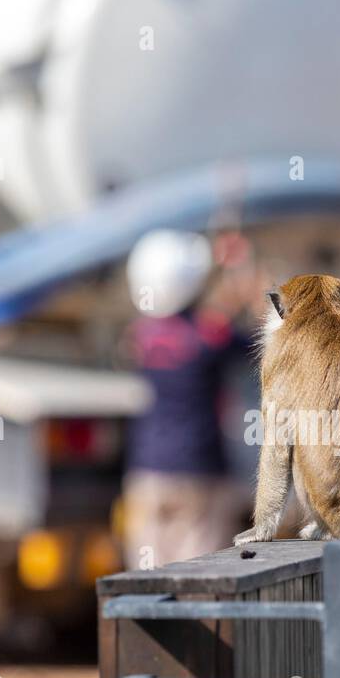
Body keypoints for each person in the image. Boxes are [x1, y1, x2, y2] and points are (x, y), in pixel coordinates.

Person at [120, 229, 252, 569]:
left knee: (148, 583)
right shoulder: (211, 337)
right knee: (200, 583)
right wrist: (237, 268)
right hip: (200, 475)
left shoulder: (140, 336)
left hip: (148, 473)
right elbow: (252, 335)